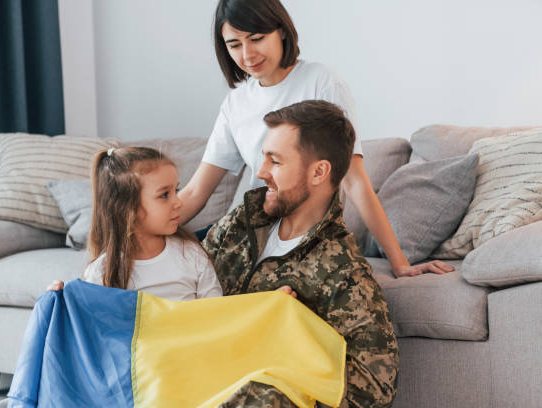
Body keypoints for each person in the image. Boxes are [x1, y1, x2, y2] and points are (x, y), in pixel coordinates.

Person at [178, 0, 454, 278]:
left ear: (282, 31)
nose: (247, 54)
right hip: (249, 229)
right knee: (167, 258)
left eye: (257, 39)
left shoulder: (321, 82)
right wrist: (142, 230)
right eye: (234, 45)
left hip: (300, 232)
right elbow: (195, 192)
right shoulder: (236, 103)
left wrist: (400, 263)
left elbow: (354, 179)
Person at [204, 100, 399, 407]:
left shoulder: (342, 272)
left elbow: (375, 386)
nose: (261, 171)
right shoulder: (241, 221)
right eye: (263, 157)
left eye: (276, 161)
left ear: (319, 172)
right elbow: (186, 288)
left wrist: (283, 344)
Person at [80, 146, 222, 300]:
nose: (178, 202)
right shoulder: (103, 272)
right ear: (127, 208)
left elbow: (214, 311)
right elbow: (89, 319)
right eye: (165, 195)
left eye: (176, 190)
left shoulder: (191, 254)